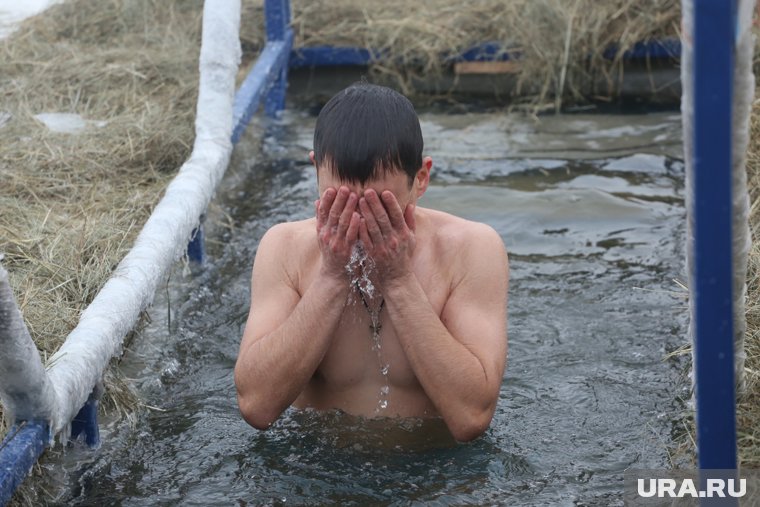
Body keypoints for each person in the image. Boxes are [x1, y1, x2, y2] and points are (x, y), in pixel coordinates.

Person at [234, 83, 509, 442]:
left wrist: (398, 280)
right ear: (316, 170)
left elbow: (471, 417)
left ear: (421, 179)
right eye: (342, 204)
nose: (361, 221)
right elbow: (256, 406)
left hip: (431, 478)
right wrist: (331, 277)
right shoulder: (284, 248)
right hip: (315, 470)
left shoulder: (470, 249)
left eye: (382, 207)